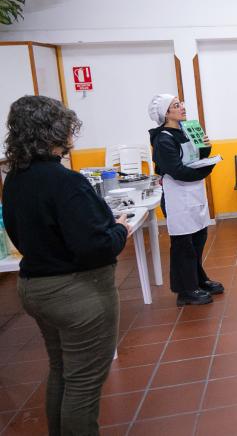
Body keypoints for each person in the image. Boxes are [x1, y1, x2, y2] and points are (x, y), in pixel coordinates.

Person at [2, 95, 131, 435]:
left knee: (61, 369)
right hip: (77, 294)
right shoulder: (65, 181)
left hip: (35, 287)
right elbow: (96, 247)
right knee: (85, 384)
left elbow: (18, 233)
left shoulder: (15, 178)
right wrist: (120, 229)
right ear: (55, 131)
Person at [148, 94, 223, 306]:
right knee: (183, 245)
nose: (182, 107)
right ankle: (185, 290)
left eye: (180, 103)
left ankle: (198, 280)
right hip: (177, 196)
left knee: (198, 238)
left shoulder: (184, 130)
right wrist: (207, 169)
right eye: (176, 105)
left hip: (193, 192)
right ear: (166, 113)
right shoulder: (163, 139)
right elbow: (177, 170)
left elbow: (195, 157)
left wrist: (205, 147)